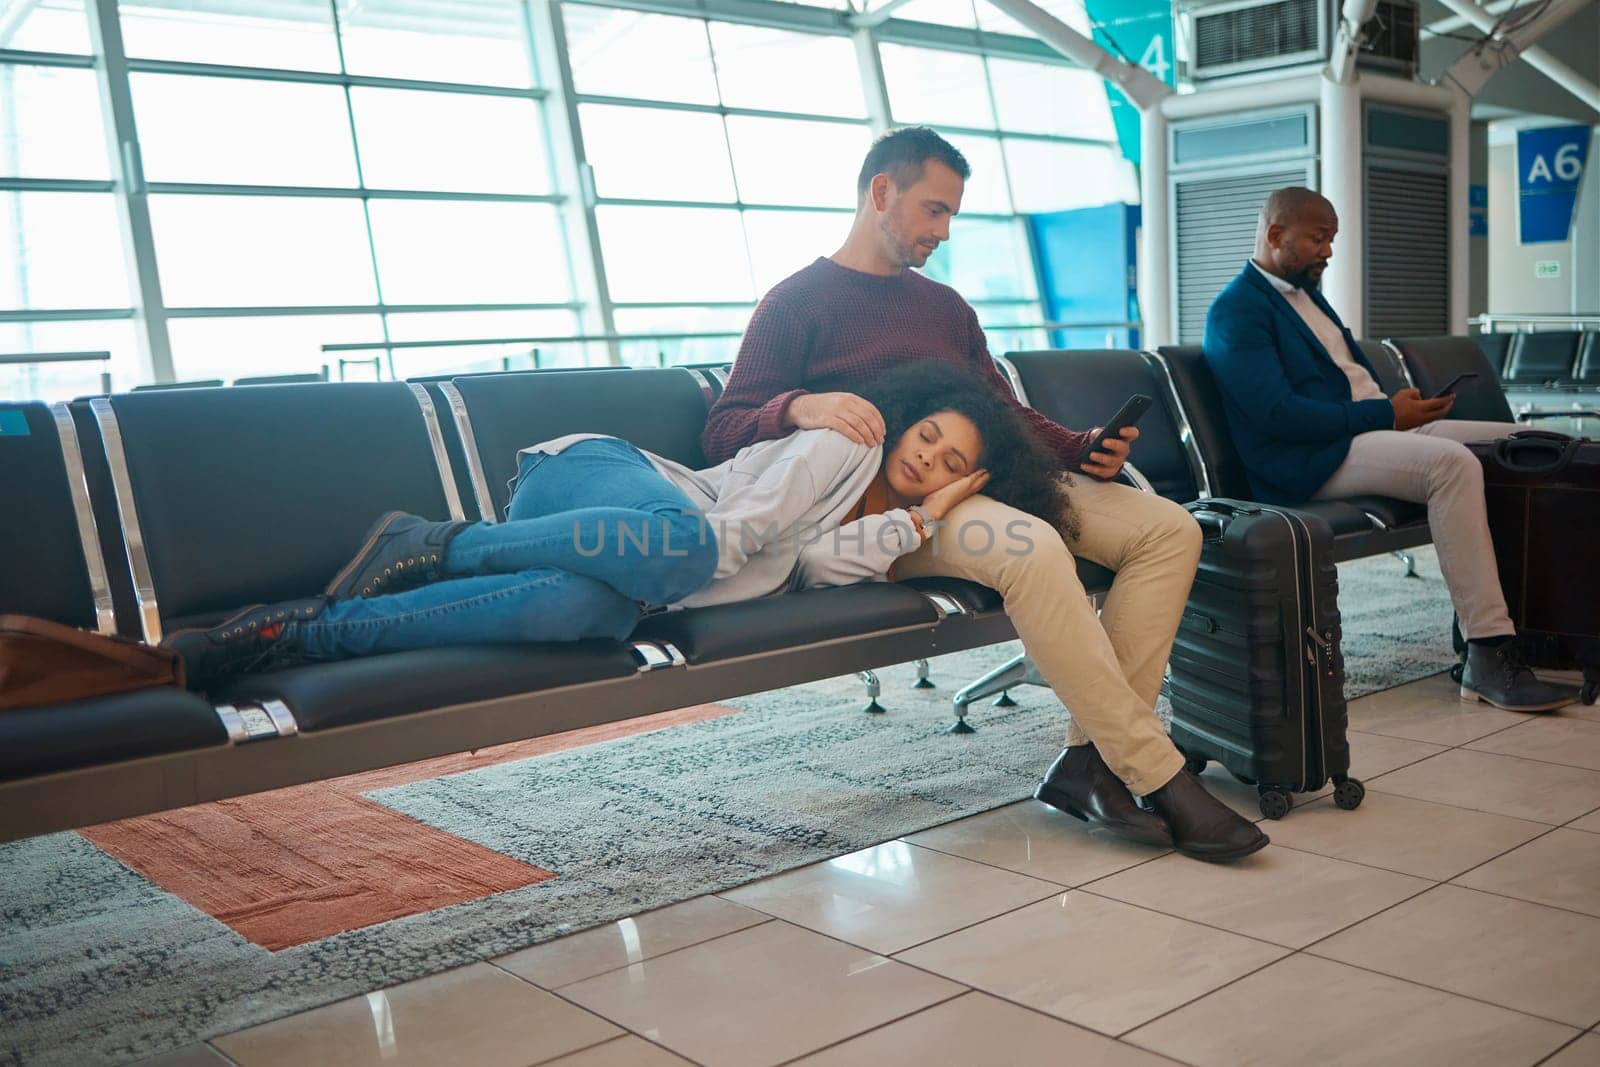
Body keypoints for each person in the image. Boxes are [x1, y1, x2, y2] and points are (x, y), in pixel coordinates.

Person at [702, 126, 1267, 863]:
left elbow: (1002, 408)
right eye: (934, 210)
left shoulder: (945, 307)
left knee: (1167, 529)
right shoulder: (795, 305)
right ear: (882, 193)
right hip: (898, 509)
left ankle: (1087, 761)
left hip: (991, 479)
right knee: (1030, 547)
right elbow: (724, 431)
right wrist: (802, 406)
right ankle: (1158, 773)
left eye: (951, 216)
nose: (943, 231)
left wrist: (1079, 447)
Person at [163, 363, 1062, 687]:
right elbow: (739, 533)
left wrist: (921, 522)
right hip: (592, 476)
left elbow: (817, 572)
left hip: (619, 566)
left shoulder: (893, 522)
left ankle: (303, 634)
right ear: (907, 420)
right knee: (683, 546)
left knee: (582, 614)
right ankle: (436, 544)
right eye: (929, 438)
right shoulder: (845, 440)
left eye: (951, 467)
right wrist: (705, 559)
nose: (927, 462)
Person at [1203, 186, 1569, 713]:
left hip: (1371, 433)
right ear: (1276, 235)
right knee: (1452, 465)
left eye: (1332, 239)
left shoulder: (1306, 295)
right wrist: (1386, 414)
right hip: (1311, 460)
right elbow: (1277, 416)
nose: (1328, 251)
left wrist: (1401, 410)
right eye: (1318, 239)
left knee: (1532, 445)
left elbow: (1345, 385)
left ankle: (1555, 625)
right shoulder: (1236, 311)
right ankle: (1488, 652)